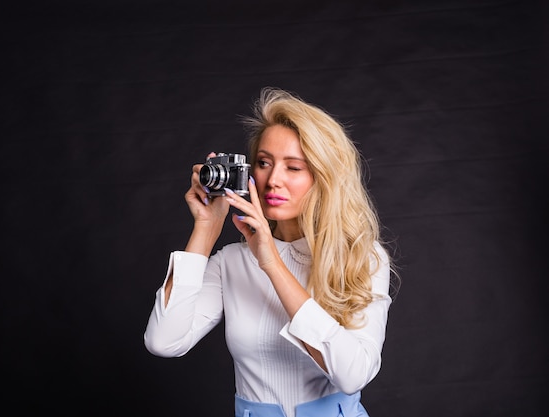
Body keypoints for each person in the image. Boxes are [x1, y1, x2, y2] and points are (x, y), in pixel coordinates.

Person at [144, 87, 397, 417]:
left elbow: (353, 375)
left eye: (294, 168)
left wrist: (272, 264)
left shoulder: (361, 257)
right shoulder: (232, 263)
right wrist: (206, 230)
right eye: (263, 163)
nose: (273, 180)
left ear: (324, 177)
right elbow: (163, 341)